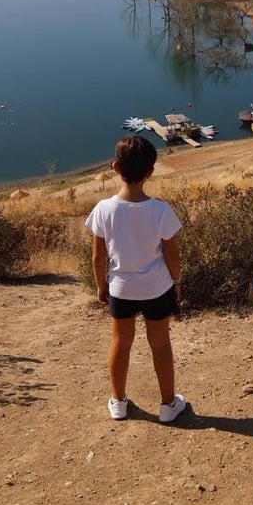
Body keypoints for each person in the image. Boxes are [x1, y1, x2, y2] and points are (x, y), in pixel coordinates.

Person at [86, 134, 187, 423]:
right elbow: (172, 256)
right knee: (160, 343)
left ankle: (118, 402)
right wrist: (176, 284)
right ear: (150, 172)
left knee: (121, 341)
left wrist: (101, 286)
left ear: (115, 168)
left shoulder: (103, 209)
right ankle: (168, 405)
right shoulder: (161, 211)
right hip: (157, 288)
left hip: (121, 288)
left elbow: (97, 257)